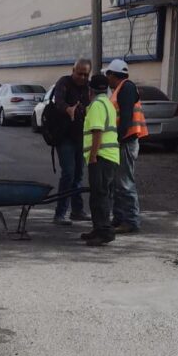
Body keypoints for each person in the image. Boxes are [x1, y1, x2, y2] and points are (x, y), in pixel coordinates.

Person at [105, 59, 147, 234]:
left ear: (112, 75)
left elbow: (126, 118)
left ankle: (131, 221)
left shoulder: (126, 88)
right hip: (123, 141)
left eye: (108, 75)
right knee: (117, 183)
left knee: (125, 183)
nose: (107, 79)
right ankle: (120, 218)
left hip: (126, 141)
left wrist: (118, 139)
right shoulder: (121, 88)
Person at [52, 59, 92, 226]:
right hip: (65, 137)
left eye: (85, 74)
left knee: (78, 175)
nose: (82, 77)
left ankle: (77, 211)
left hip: (81, 137)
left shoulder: (88, 88)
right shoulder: (64, 82)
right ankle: (60, 213)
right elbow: (58, 101)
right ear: (73, 70)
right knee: (68, 173)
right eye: (79, 73)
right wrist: (68, 109)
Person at [81, 75, 120, 246]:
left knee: (100, 195)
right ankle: (98, 229)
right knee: (99, 194)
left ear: (91, 90)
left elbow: (97, 132)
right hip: (108, 156)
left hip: (101, 157)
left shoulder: (97, 105)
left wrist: (93, 156)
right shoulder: (108, 103)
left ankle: (104, 231)